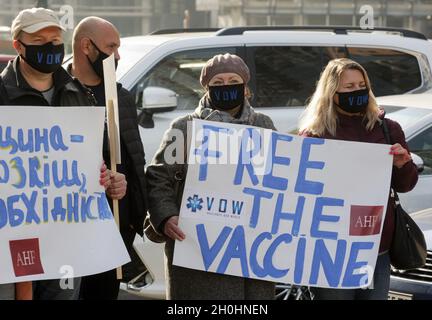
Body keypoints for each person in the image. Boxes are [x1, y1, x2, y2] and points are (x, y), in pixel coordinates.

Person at [0, 7, 123, 300]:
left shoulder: (79, 94)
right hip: (11, 235)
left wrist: (111, 180)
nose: (50, 47)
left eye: (55, 40)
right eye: (39, 40)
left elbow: (94, 161)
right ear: (18, 45)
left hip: (66, 238)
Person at [146, 53, 276, 300]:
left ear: (245, 87)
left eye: (233, 80)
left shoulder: (263, 125)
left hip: (248, 249)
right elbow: (158, 177)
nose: (226, 87)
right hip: (197, 250)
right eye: (217, 83)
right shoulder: (183, 128)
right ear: (206, 88)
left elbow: (280, 179)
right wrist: (166, 216)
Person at [298, 58, 418, 300]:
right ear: (332, 93)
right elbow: (301, 189)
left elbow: (405, 185)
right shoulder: (314, 135)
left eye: (361, 85)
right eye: (349, 87)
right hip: (330, 248)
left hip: (375, 246)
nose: (357, 91)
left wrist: (403, 164)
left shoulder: (387, 128)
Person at [69, 16, 148, 300]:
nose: (117, 55)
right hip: (71, 228)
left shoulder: (121, 97)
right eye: (111, 46)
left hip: (115, 226)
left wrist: (128, 191)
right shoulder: (60, 94)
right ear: (87, 46)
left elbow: (132, 160)